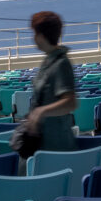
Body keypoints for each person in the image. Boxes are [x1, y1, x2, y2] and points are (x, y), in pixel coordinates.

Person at [21, 11, 77, 154]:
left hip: (56, 147)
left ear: (41, 36)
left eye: (35, 33)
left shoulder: (61, 64)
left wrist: (41, 112)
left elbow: (70, 103)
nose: (33, 38)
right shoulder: (49, 60)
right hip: (45, 143)